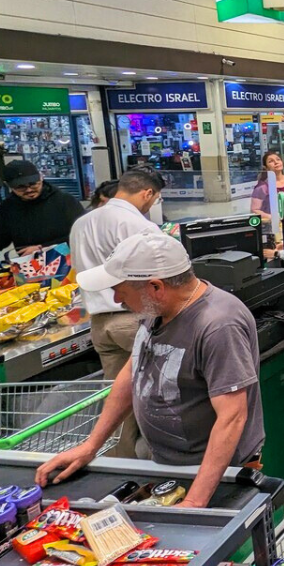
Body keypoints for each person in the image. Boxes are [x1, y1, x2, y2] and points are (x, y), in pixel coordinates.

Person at [39, 232, 264, 507]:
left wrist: (195, 501)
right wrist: (90, 446)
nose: (117, 299)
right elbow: (133, 372)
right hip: (168, 465)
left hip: (217, 474)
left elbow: (232, 417)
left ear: (156, 286)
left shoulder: (218, 326)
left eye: (121, 290)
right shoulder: (156, 309)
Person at [70, 168, 166, 458]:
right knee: (167, 393)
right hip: (134, 321)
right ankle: (166, 463)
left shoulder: (82, 223)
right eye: (155, 199)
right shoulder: (138, 225)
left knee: (116, 401)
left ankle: (120, 467)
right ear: (147, 193)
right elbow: (162, 275)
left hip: (100, 325)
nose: (152, 204)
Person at [0, 160, 85, 257]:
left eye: (33, 184)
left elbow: (83, 234)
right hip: (30, 264)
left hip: (68, 260)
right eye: (20, 187)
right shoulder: (7, 208)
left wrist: (43, 248)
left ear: (41, 177)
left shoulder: (64, 201)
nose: (29, 190)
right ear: (9, 185)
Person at [249, 151, 284, 227]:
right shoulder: (262, 187)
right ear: (266, 167)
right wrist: (272, 218)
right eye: (271, 161)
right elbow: (254, 210)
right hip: (274, 227)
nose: (276, 162)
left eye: (278, 159)